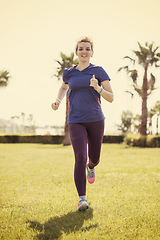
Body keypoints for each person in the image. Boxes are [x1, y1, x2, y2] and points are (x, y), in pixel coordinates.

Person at [51, 37, 114, 211]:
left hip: (96, 119)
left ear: (92, 52)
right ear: (76, 52)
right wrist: (57, 100)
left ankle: (91, 167)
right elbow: (64, 87)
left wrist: (98, 88)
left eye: (87, 49)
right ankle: (82, 199)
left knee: (94, 158)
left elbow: (111, 97)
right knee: (80, 157)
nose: (84, 52)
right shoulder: (69, 73)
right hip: (75, 120)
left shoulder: (99, 71)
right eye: (81, 49)